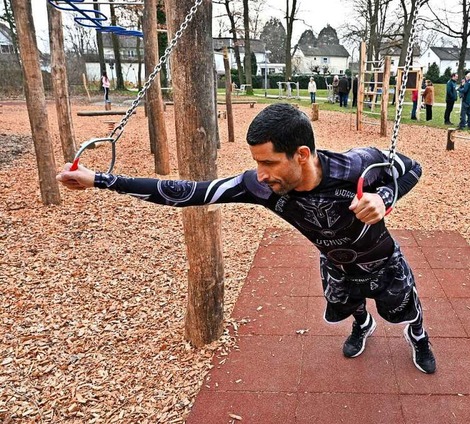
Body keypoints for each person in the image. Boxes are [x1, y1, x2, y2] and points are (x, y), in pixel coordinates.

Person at [56, 103, 437, 375]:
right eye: (256, 162)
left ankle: (419, 337)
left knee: (402, 308)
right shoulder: (260, 186)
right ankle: (361, 325)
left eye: (269, 162)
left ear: (302, 154)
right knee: (347, 302)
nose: (261, 173)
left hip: (381, 258)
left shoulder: (356, 164)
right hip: (336, 262)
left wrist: (383, 199)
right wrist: (100, 180)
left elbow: (410, 169)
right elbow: (189, 192)